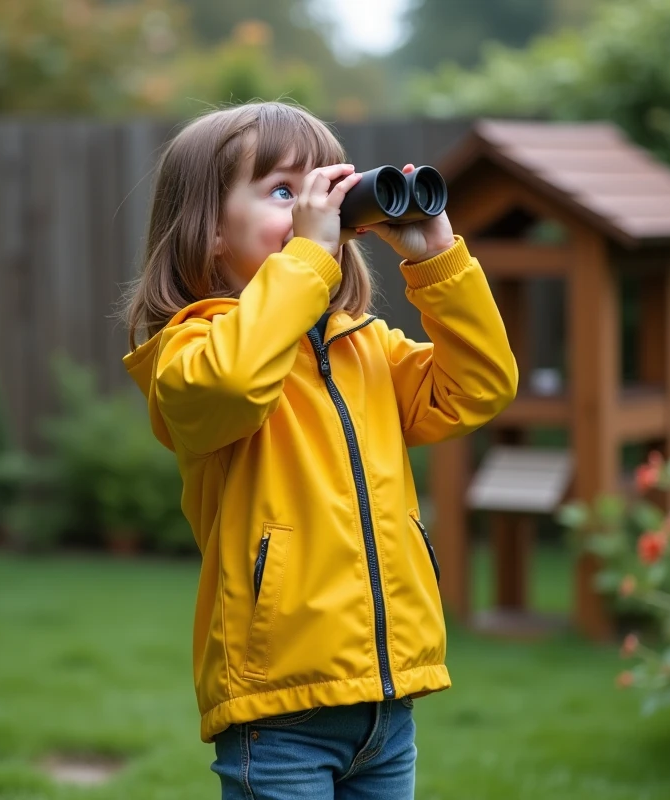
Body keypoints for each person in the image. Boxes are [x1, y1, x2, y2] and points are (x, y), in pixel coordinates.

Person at [119, 101, 518, 800]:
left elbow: (479, 388)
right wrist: (307, 258)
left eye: (323, 187)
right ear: (210, 230)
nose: (313, 210)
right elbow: (236, 381)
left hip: (384, 701)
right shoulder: (187, 352)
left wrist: (439, 258)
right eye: (283, 191)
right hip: (279, 708)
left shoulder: (363, 345)